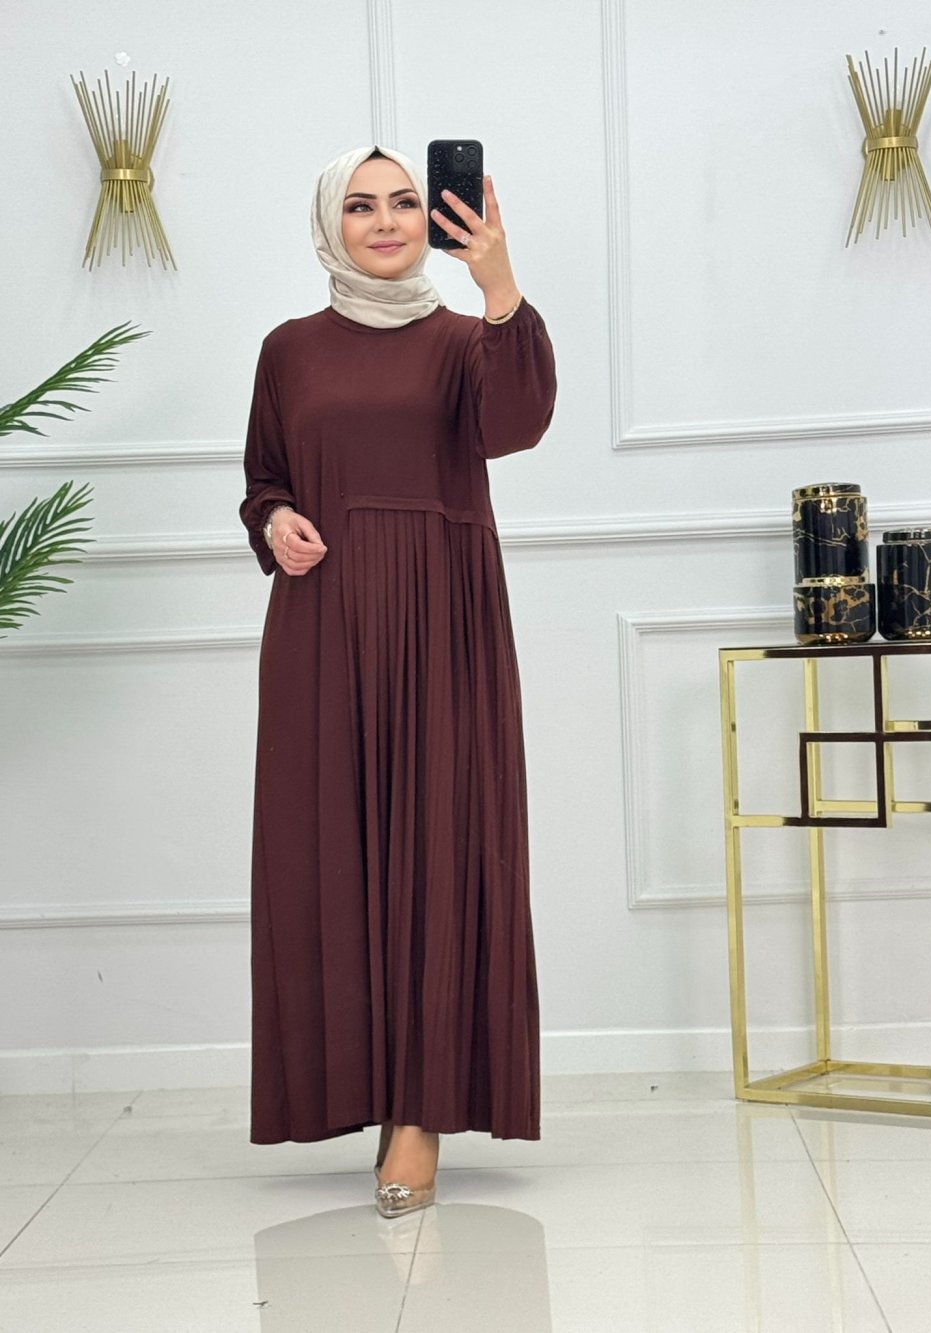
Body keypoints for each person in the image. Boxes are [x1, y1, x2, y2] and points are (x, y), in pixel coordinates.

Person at [239, 145, 557, 1218]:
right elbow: (265, 477)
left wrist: (499, 284)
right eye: (361, 205)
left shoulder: (470, 340)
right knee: (327, 847)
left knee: (441, 845)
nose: (385, 221)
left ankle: (420, 1115)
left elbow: (517, 426)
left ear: (434, 217)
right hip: (324, 619)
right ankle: (359, 1090)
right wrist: (275, 521)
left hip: (443, 619)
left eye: (406, 202)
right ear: (329, 224)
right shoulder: (288, 350)